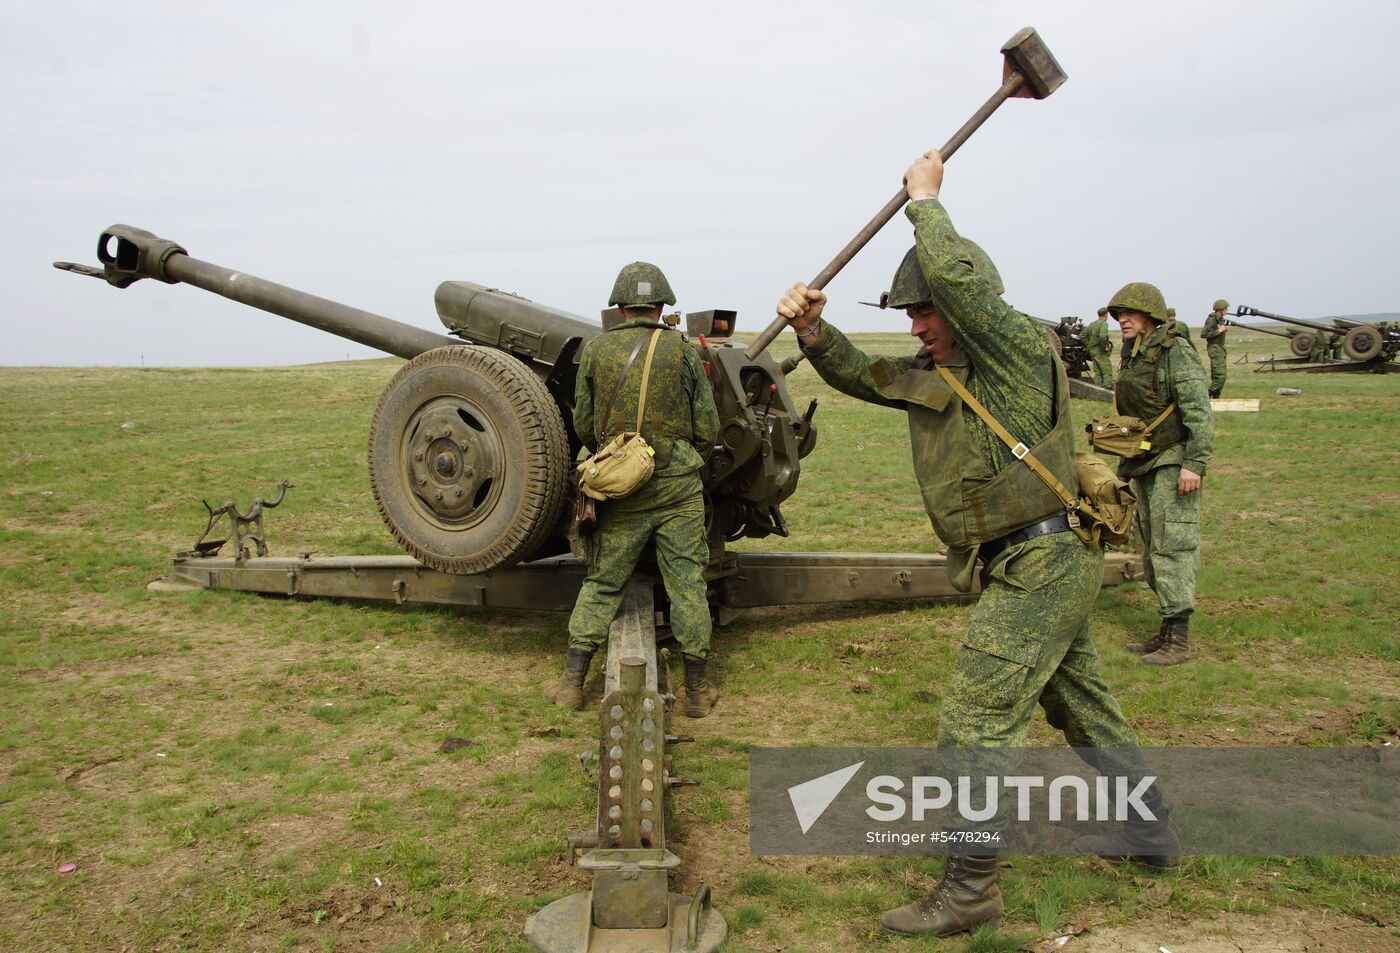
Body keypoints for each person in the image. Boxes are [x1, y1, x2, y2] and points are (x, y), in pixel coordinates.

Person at [776, 149, 1176, 939]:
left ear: (962, 309)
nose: (918, 325)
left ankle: (971, 887)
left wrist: (926, 202)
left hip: (1046, 556)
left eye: (925, 311)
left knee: (974, 717)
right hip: (1026, 564)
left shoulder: (1018, 353)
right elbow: (867, 377)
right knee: (1079, 699)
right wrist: (816, 332)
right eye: (911, 316)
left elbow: (965, 285)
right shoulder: (945, 373)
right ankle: (1153, 827)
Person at [548, 262, 722, 717]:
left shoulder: (598, 349)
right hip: (677, 487)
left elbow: (583, 423)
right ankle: (698, 693)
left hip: (621, 490)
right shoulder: (681, 351)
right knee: (687, 585)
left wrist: (619, 458)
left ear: (620, 306)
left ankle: (570, 684)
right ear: (662, 304)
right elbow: (707, 424)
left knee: (603, 582)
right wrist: (680, 456)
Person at [1109, 285, 1215, 665]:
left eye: (1130, 313)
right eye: (1119, 313)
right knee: (1152, 547)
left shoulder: (1175, 352)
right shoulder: (1134, 355)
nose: (1123, 319)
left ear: (1150, 316)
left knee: (1173, 546)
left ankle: (1180, 641)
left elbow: (1198, 410)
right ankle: (1167, 630)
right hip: (1145, 462)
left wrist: (1194, 463)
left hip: (1174, 461)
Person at [1201, 299, 1230, 397]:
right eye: (1225, 308)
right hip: (1215, 349)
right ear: (1220, 309)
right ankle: (1206, 396)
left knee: (1218, 376)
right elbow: (1204, 334)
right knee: (1220, 376)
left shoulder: (1219, 318)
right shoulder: (1212, 319)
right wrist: (1219, 330)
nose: (1227, 310)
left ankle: (1215, 397)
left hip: (1220, 349)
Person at [1082, 305, 1115, 387]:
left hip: (1092, 351)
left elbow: (1082, 336)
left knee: (1097, 371)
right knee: (1107, 370)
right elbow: (1102, 336)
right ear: (1106, 315)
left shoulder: (1092, 324)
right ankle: (1107, 388)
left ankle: (1098, 388)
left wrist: (1089, 345)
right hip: (1100, 351)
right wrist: (1104, 347)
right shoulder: (1104, 324)